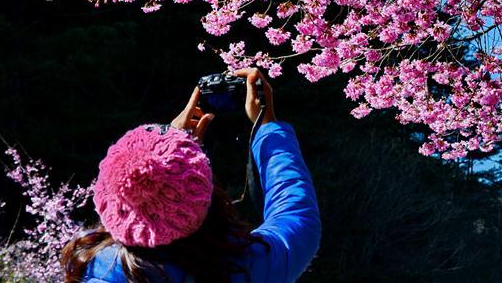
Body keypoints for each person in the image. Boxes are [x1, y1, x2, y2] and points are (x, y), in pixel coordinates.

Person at [61, 68, 321, 282]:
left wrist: (169, 145)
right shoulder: (251, 266)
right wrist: (268, 129)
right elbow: (296, 214)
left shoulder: (94, 270)